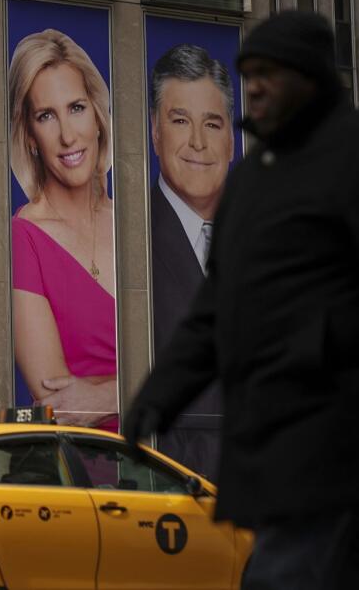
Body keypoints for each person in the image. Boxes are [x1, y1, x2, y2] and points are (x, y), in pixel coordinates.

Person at [124, 11, 359, 590]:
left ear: (307, 79)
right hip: (280, 434)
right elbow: (218, 304)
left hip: (340, 430)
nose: (253, 88)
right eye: (249, 75)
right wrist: (161, 394)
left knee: (281, 575)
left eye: (268, 76)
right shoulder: (254, 181)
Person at [7, 28, 116, 430]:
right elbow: (62, 404)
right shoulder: (23, 238)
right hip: (91, 472)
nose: (68, 135)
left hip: (179, 462)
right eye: (46, 116)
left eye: (76, 108)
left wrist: (107, 392)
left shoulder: (139, 225)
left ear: (98, 116)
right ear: (31, 137)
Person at [148, 43, 235, 477]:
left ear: (232, 140)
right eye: (181, 121)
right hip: (182, 494)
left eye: (213, 124)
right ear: (155, 132)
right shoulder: (129, 236)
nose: (199, 142)